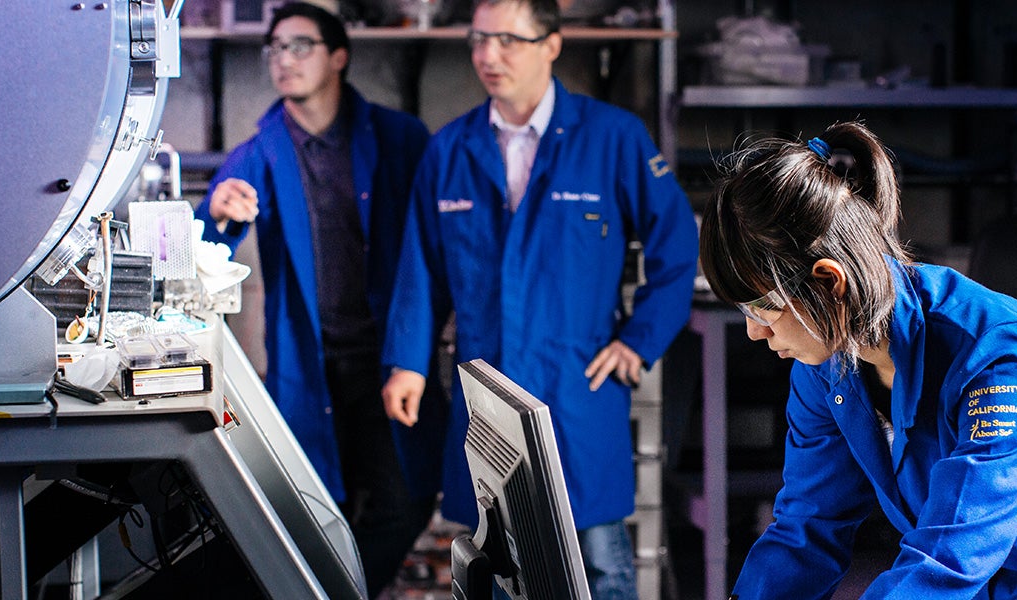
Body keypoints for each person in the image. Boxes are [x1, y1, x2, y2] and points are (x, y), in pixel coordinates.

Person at [380, 0, 699, 595]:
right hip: (487, 387)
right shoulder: (449, 150)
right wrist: (406, 362)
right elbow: (419, 269)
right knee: (495, 564)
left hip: (577, 385)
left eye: (507, 39)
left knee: (598, 559)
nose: (488, 55)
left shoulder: (612, 138)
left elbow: (677, 246)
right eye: (478, 39)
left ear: (552, 44)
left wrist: (640, 338)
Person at [700, 121, 1017, 599]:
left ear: (829, 281)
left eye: (761, 307)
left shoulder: (1002, 358)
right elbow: (806, 531)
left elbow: (949, 556)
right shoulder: (825, 371)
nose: (755, 331)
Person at [192, 3, 441, 596]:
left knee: (404, 500)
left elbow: (436, 239)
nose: (284, 59)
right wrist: (219, 213)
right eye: (275, 48)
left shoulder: (399, 138)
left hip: (388, 357)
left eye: (300, 45)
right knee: (317, 508)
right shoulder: (263, 148)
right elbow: (202, 241)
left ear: (338, 57)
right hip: (311, 365)